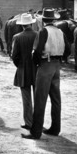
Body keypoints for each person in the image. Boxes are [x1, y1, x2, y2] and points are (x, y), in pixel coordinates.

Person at [21, 8, 71, 140]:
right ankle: (55, 128)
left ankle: (36, 132)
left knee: (40, 99)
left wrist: (38, 63)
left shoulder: (43, 31)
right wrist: (61, 58)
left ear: (43, 20)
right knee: (56, 99)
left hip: (45, 65)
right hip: (56, 65)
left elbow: (37, 51)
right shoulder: (60, 31)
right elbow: (68, 49)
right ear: (54, 20)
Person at [11, 13, 38, 130]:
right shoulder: (38, 35)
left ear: (22, 25)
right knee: (38, 98)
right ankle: (38, 121)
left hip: (23, 69)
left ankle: (28, 122)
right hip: (37, 69)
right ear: (31, 24)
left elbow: (14, 56)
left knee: (26, 98)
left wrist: (20, 66)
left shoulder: (17, 37)